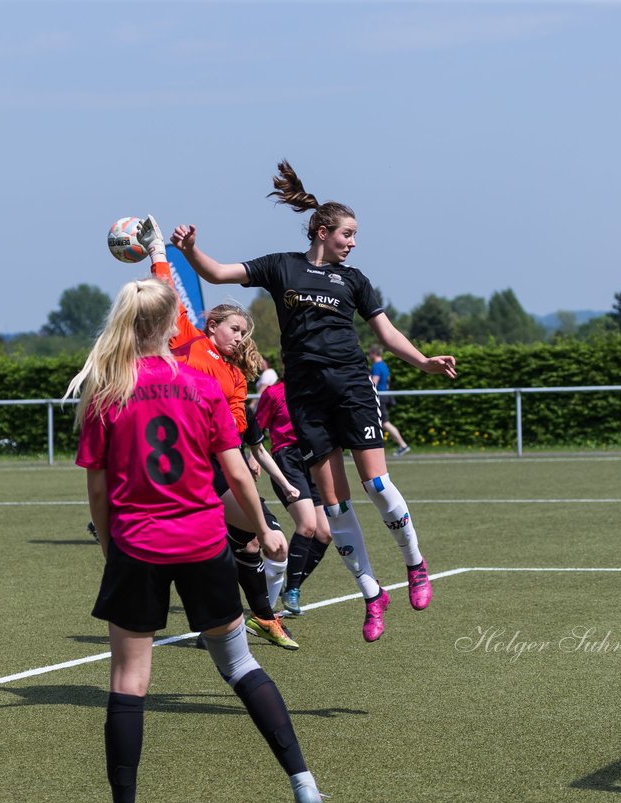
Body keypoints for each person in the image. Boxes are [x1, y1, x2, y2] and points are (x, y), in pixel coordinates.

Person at [66, 278, 324, 803]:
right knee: (239, 665)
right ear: (172, 326)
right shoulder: (202, 385)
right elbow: (235, 472)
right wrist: (263, 530)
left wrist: (112, 549)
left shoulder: (107, 392)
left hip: (138, 545)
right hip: (205, 541)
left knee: (129, 680)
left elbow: (97, 490)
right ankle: (303, 782)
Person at [167, 160, 458, 642]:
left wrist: (423, 361)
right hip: (306, 397)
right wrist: (192, 249)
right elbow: (218, 273)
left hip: (350, 387)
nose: (353, 242)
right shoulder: (283, 266)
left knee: (378, 485)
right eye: (348, 233)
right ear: (323, 231)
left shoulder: (355, 280)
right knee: (335, 506)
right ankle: (372, 594)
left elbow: (385, 331)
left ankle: (415, 564)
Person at [136, 221, 298, 651]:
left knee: (255, 537)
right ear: (212, 327)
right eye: (234, 329)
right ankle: (234, 620)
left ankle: (263, 616)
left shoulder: (235, 371)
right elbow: (165, 292)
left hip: (216, 459)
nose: (240, 336)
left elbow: (237, 420)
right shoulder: (188, 339)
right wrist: (157, 252)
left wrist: (242, 452)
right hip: (183, 459)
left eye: (245, 332)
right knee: (241, 539)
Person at [255, 376, 332, 616]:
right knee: (308, 525)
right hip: (286, 460)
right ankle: (292, 591)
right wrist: (252, 459)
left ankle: (291, 586)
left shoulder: (318, 389)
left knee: (325, 533)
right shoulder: (274, 393)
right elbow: (255, 430)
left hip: (314, 459)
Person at [368, 344, 411, 457]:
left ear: (373, 353)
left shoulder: (377, 366)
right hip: (384, 395)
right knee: (379, 422)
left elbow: (374, 383)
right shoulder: (384, 366)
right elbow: (387, 382)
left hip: (379, 397)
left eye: (369, 353)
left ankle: (403, 445)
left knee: (384, 423)